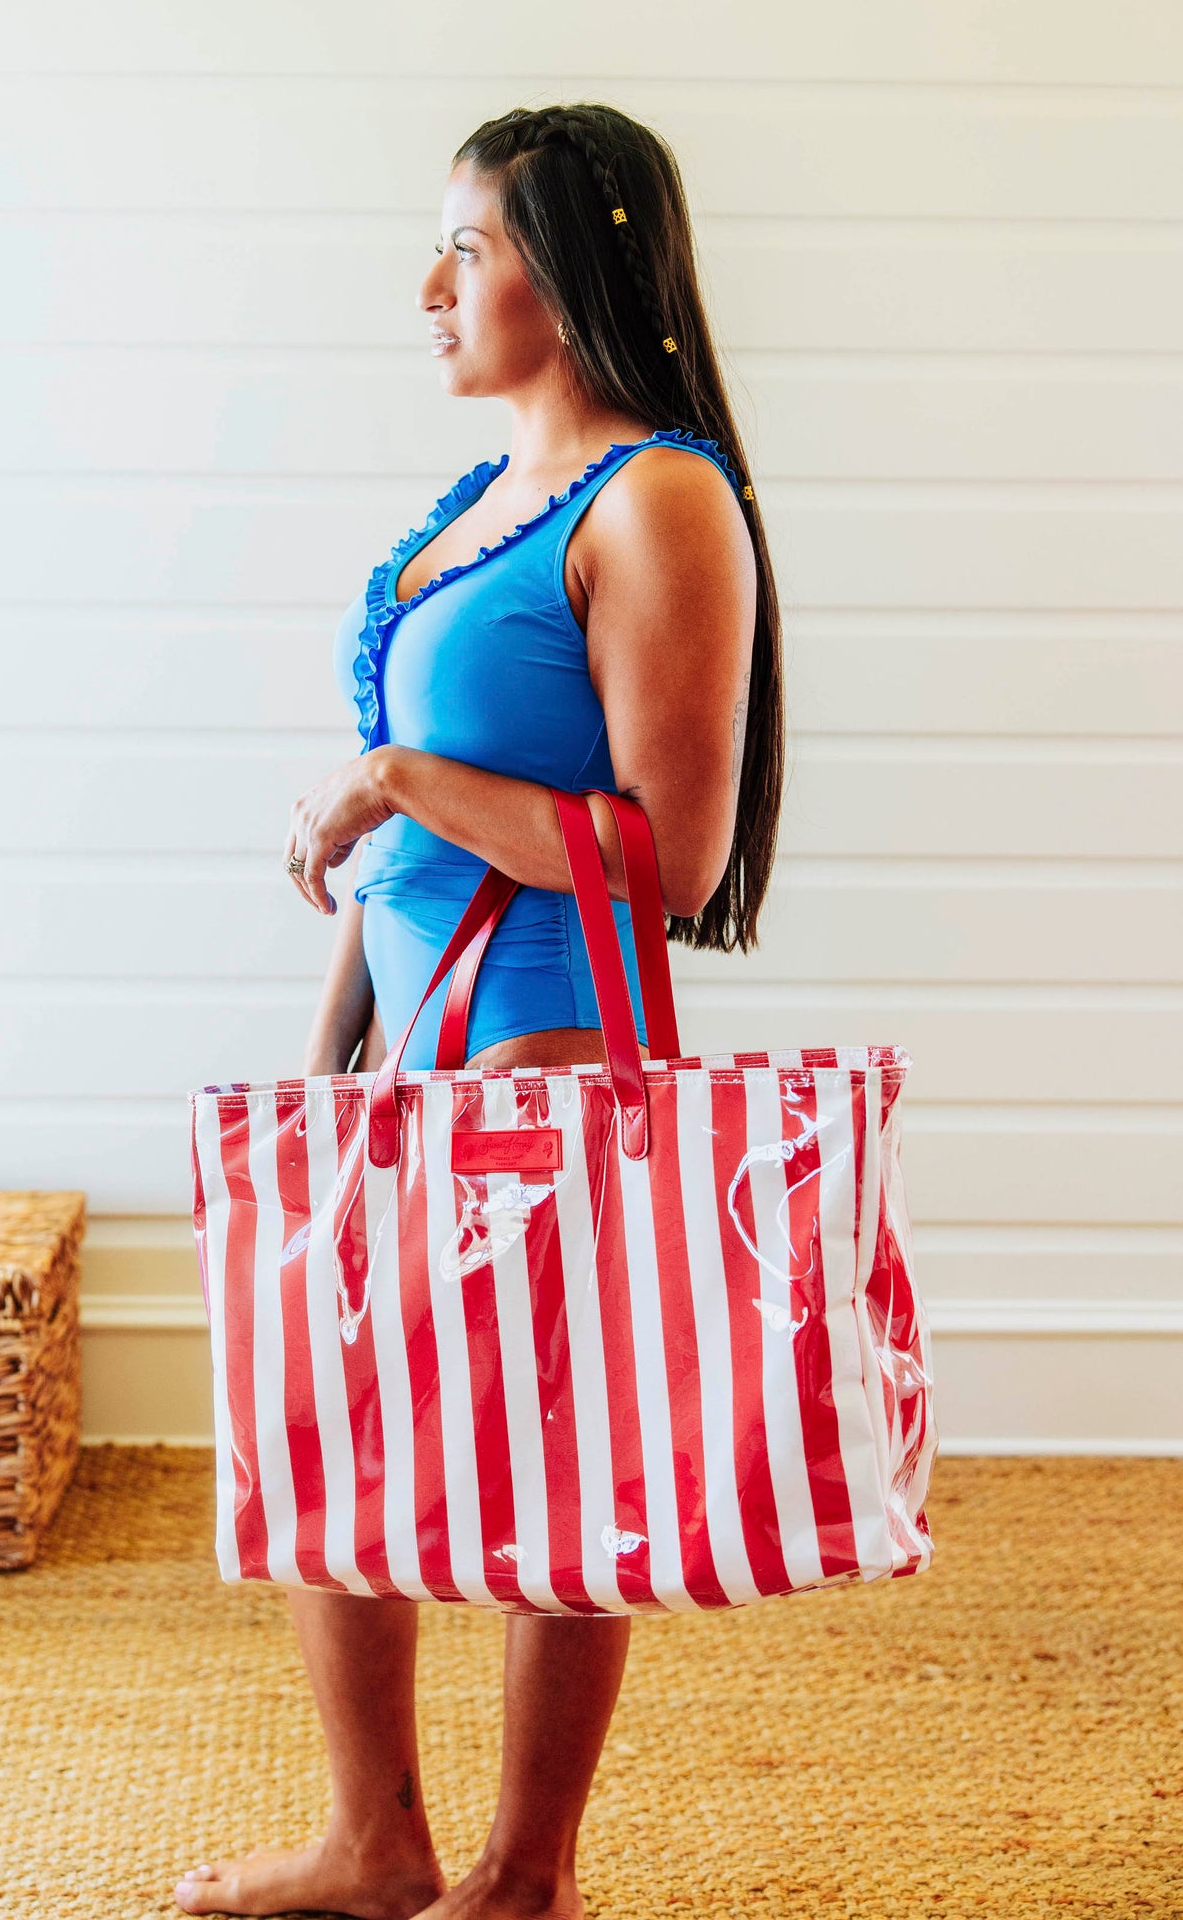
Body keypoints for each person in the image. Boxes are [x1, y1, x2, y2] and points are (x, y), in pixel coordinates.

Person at [176, 101, 783, 1920]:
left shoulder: (659, 498)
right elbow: (406, 854)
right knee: (323, 1432)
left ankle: (523, 1876)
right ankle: (377, 1845)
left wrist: (394, 776)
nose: (429, 285)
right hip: (399, 1037)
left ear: (580, 269)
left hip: (539, 1042)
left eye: (473, 245)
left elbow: (658, 862)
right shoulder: (480, 506)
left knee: (540, 1464)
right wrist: (323, 1059)